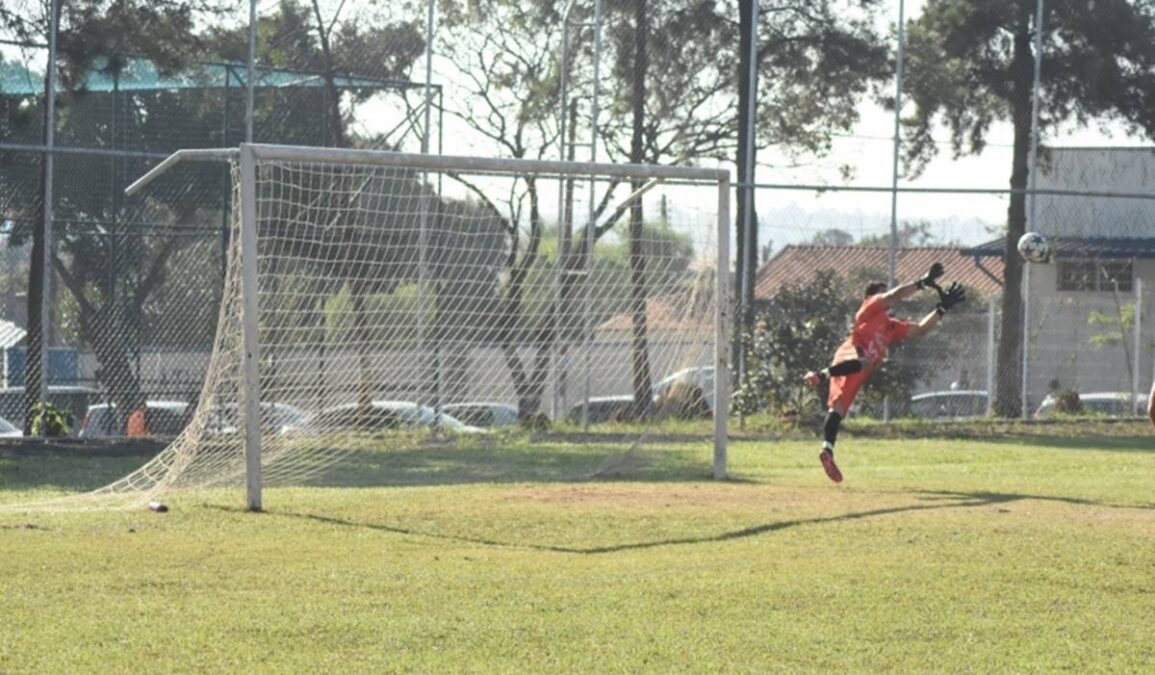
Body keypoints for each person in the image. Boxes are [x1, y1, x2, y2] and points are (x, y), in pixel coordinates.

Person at [803, 262, 966, 483]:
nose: (885, 297)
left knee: (838, 408)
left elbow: (920, 329)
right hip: (850, 352)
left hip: (861, 368)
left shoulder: (891, 327)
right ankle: (820, 375)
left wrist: (941, 308)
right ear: (869, 297)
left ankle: (827, 450)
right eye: (881, 293)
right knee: (864, 362)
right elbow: (896, 294)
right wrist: (921, 283)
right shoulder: (868, 309)